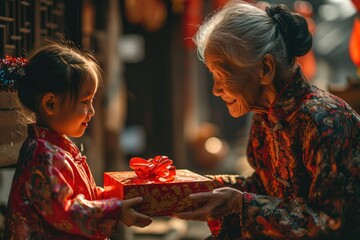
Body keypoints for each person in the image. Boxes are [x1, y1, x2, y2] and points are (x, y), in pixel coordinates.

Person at [175, 1, 360, 239]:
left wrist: (241, 205)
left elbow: (332, 225)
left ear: (265, 68)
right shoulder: (264, 116)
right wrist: (201, 188)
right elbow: (264, 188)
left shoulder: (325, 121)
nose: (215, 89)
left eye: (222, 75)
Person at [5, 38, 152, 239]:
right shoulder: (44, 154)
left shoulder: (54, 148)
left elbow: (83, 198)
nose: (91, 111)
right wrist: (116, 209)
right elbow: (65, 210)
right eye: (85, 101)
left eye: (91, 101)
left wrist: (121, 195)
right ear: (50, 104)